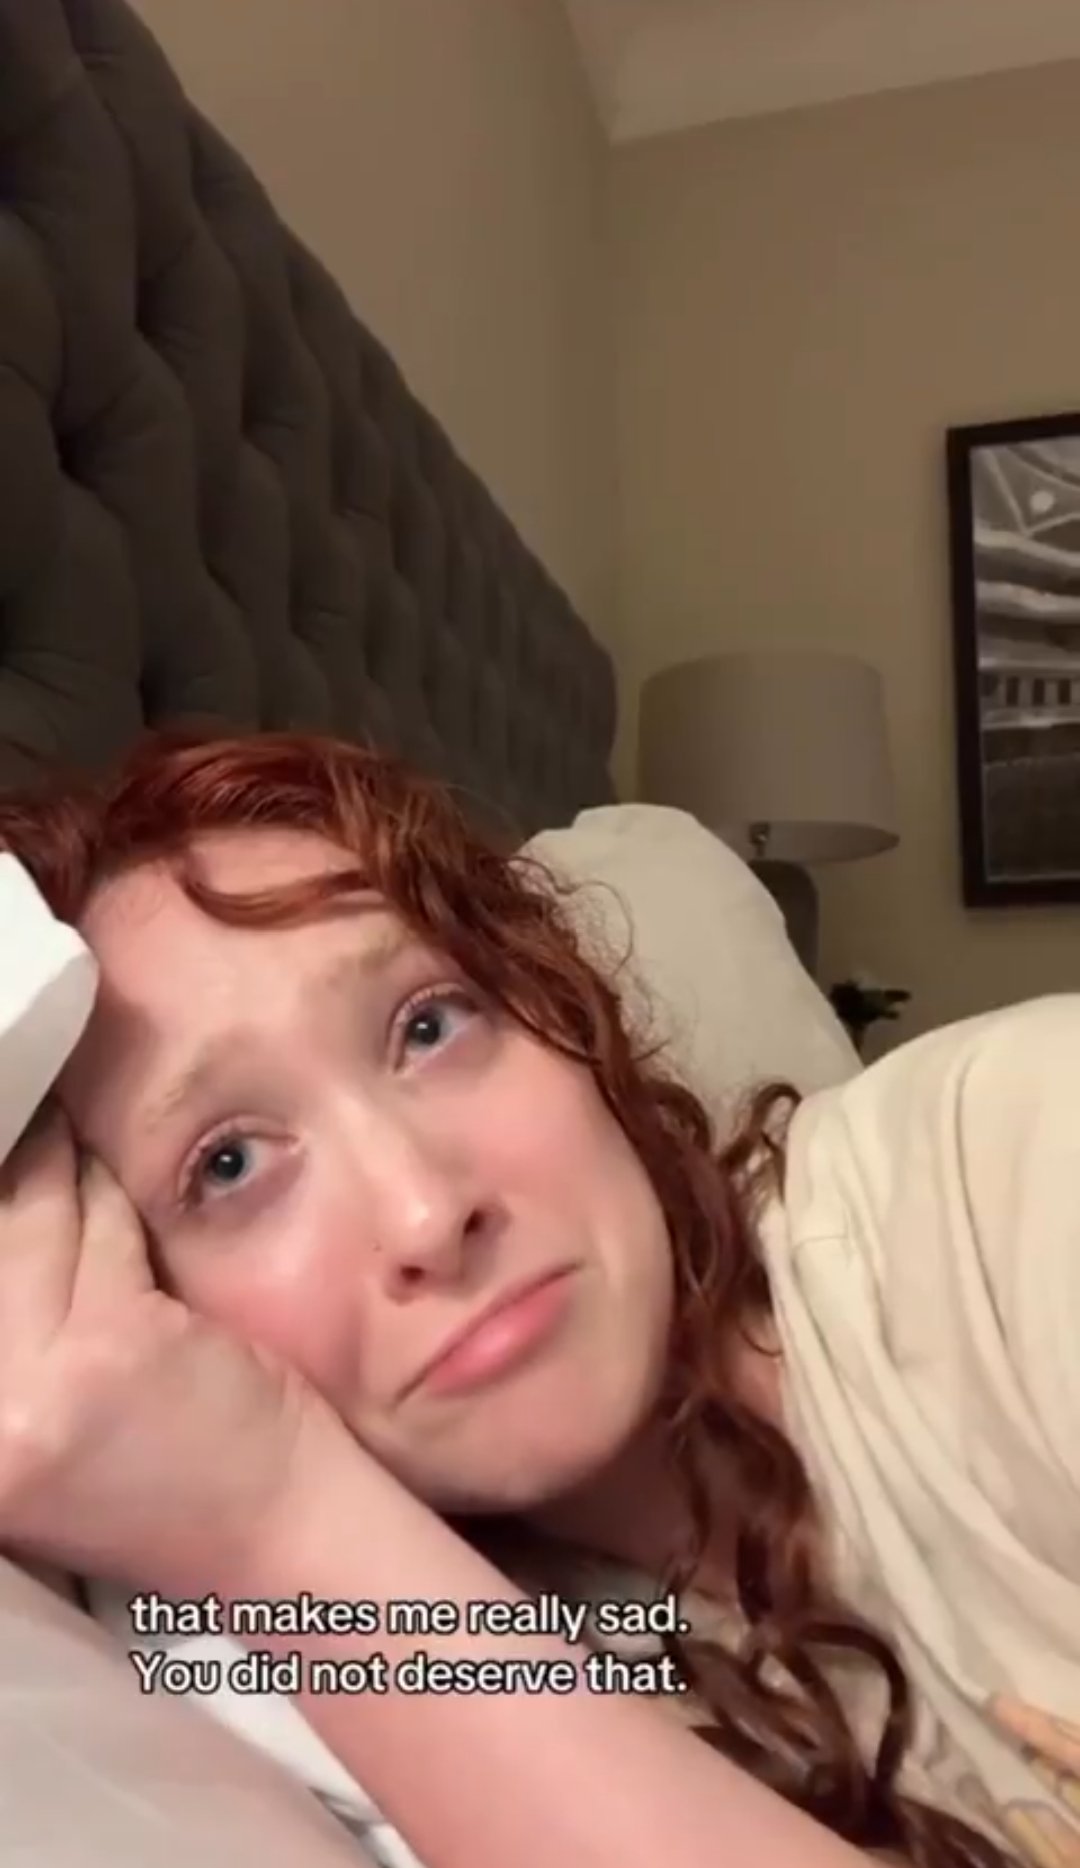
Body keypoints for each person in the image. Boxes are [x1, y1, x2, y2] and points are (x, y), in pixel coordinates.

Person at [0, 729, 1075, 1868]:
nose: (427, 1212)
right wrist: (273, 1518)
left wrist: (280, 1529)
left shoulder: (1002, 1172)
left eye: (429, 1025)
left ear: (563, 1008)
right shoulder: (384, 1694)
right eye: (229, 1164)